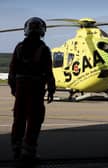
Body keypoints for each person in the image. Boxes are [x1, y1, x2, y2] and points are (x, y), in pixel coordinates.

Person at [8, 17, 56, 162]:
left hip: (21, 88)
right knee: (34, 120)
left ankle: (17, 148)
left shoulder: (19, 48)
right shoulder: (44, 49)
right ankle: (28, 152)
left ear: (26, 29)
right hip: (36, 89)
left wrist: (13, 88)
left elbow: (12, 71)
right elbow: (49, 72)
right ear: (42, 31)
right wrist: (51, 89)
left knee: (19, 118)